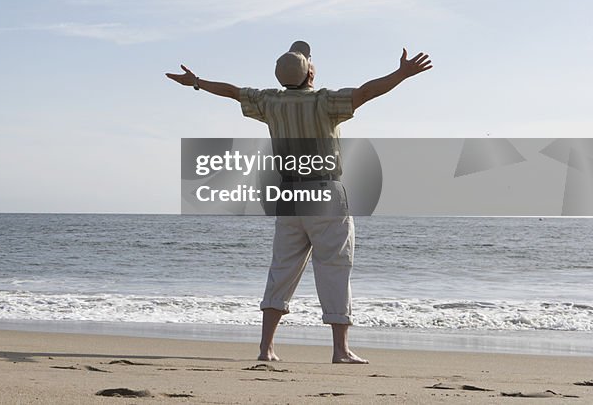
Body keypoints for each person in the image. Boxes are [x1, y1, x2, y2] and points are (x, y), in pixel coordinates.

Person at [166, 41, 432, 364]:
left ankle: (266, 349)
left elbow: (232, 92)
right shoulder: (325, 102)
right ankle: (340, 350)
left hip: (290, 195)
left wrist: (196, 82)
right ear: (309, 74)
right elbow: (366, 92)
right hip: (325, 193)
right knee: (335, 267)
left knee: (281, 270)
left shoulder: (269, 102)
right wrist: (401, 74)